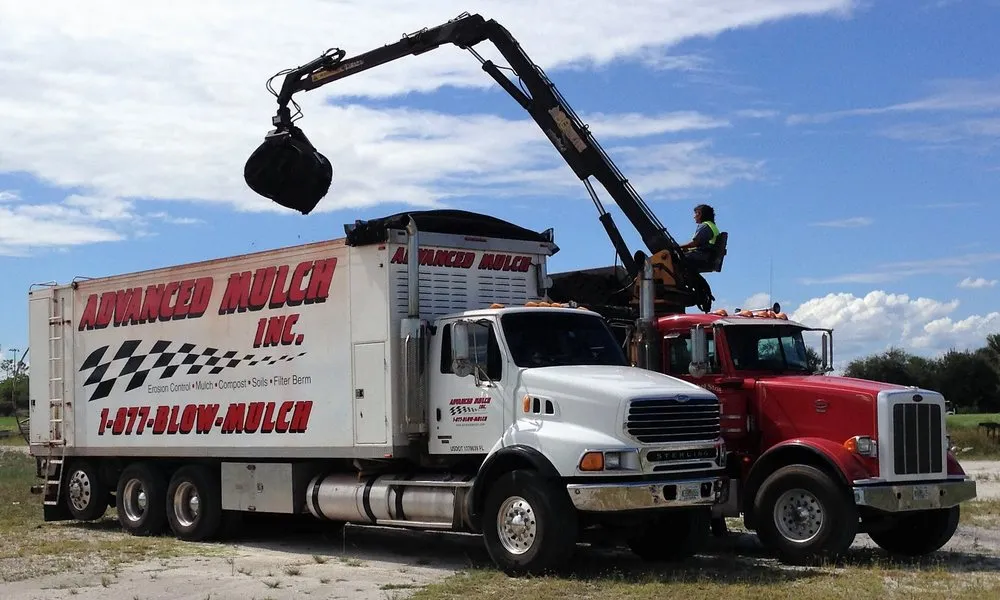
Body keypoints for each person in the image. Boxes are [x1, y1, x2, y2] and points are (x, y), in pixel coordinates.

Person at [679, 204, 719, 270]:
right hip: (707, 255)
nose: (694, 217)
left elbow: (695, 243)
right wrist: (687, 249)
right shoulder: (712, 226)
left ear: (700, 214)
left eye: (696, 214)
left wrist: (678, 247)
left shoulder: (705, 226)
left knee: (673, 257)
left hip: (702, 256)